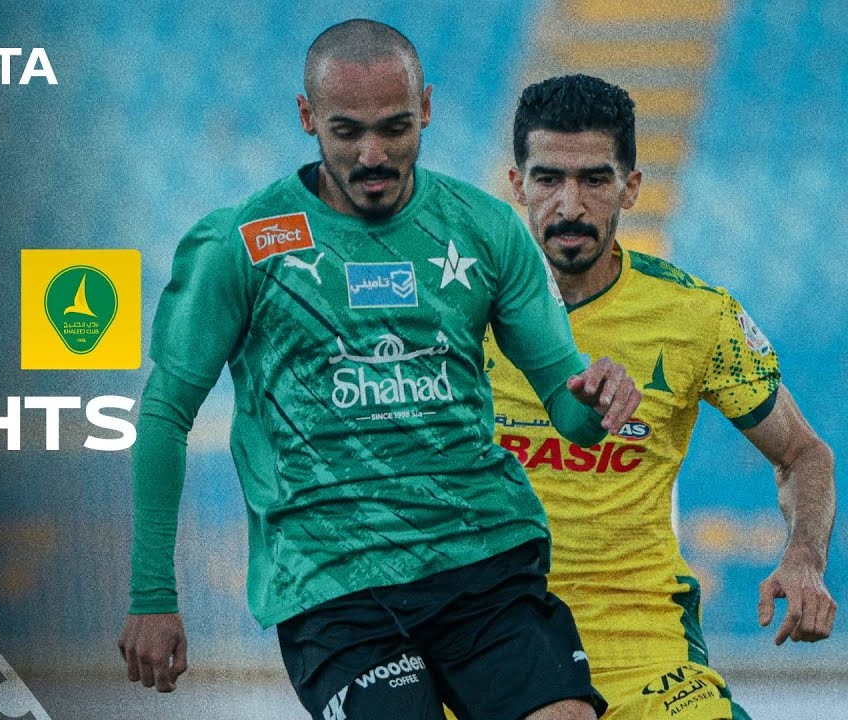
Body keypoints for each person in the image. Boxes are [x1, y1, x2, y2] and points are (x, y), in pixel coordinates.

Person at [118, 21, 644, 720]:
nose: (373, 155)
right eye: (347, 132)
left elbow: (568, 407)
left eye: (395, 128)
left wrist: (597, 401)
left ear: (425, 108)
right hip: (335, 581)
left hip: (483, 561)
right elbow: (164, 414)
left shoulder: (485, 228)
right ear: (308, 118)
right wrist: (153, 595)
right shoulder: (243, 242)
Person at [485, 74, 838, 720]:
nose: (569, 204)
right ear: (517, 184)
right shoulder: (462, 312)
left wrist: (805, 559)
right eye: (548, 179)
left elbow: (804, 454)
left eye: (595, 179)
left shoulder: (696, 315)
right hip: (491, 638)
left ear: (632, 186)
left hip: (644, 642)